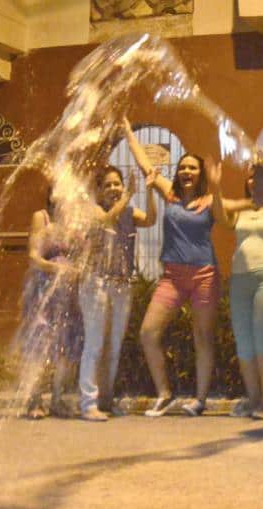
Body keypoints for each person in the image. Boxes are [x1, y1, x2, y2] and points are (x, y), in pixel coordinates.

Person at [123, 117, 221, 417]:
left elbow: (228, 214)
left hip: (204, 274)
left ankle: (199, 400)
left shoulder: (209, 200)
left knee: (203, 338)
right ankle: (164, 393)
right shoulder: (171, 194)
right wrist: (128, 132)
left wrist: (216, 188)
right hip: (173, 277)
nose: (187, 171)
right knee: (148, 333)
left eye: (193, 167)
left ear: (200, 173)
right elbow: (143, 164)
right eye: (183, 168)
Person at [207, 161, 263, 419]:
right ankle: (253, 398)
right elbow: (220, 216)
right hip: (240, 279)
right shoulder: (242, 210)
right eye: (252, 177)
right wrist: (216, 185)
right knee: (244, 342)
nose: (255, 181)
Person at [78, 166, 157, 421]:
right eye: (108, 185)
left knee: (114, 344)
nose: (114, 188)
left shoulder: (130, 212)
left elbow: (151, 220)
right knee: (95, 343)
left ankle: (106, 399)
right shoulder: (95, 211)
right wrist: (128, 195)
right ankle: (88, 403)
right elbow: (105, 221)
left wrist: (149, 191)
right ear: (99, 191)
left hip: (122, 284)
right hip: (96, 283)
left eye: (117, 184)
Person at [21, 191, 84, 420]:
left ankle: (57, 400)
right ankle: (33, 399)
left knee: (66, 344)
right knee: (40, 342)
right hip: (44, 289)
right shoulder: (42, 217)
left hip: (68, 293)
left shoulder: (74, 222)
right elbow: (34, 256)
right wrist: (57, 268)